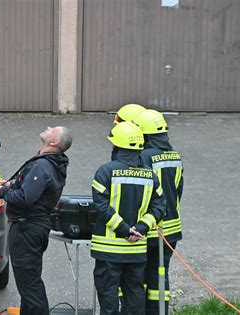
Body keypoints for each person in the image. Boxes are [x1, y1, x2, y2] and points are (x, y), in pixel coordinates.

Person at [0, 126, 72, 315]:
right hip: (33, 227)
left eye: (53, 129)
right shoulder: (50, 163)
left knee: (30, 285)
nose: (48, 127)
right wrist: (11, 184)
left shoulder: (42, 166)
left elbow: (25, 198)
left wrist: (2, 192)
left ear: (54, 142)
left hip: (27, 229)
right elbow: (32, 189)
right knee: (29, 282)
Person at [91, 121, 166, 315]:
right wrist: (141, 228)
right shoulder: (150, 175)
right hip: (137, 249)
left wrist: (124, 229)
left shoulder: (105, 171)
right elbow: (160, 205)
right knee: (134, 296)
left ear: (117, 145)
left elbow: (100, 205)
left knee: (108, 297)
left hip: (108, 250)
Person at [133, 110, 184, 315]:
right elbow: (178, 190)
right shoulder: (174, 156)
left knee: (137, 277)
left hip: (150, 228)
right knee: (160, 276)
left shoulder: (143, 156)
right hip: (171, 230)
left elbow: (140, 192)